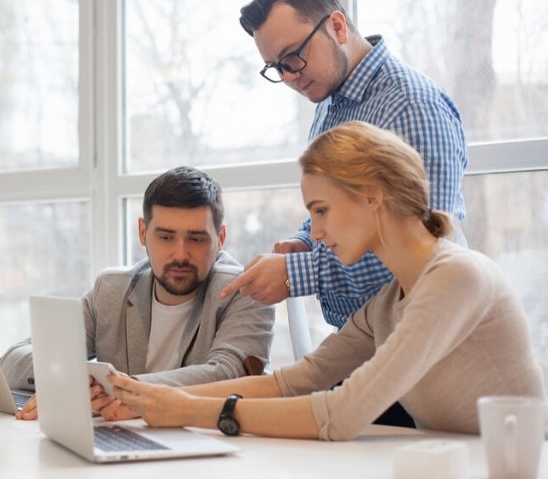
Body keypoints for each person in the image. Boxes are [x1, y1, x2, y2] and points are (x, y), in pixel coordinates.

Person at [104, 121, 544, 441]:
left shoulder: (456, 277)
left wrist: (192, 410)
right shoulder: (390, 303)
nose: (313, 233)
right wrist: (145, 395)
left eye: (320, 210)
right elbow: (292, 382)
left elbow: (343, 413)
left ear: (373, 197)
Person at [220, 0, 468, 331]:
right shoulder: (328, 103)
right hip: (365, 339)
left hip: (425, 336)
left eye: (293, 56)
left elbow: (428, 245)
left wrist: (297, 274)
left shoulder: (411, 107)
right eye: (275, 67)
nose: (289, 76)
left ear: (337, 26)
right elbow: (344, 211)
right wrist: (304, 242)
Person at [0, 166, 275, 421]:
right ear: (143, 232)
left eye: (196, 239)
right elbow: (13, 358)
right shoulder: (112, 290)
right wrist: (67, 380)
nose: (180, 254)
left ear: (221, 238)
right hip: (120, 440)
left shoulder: (246, 291)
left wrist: (119, 390)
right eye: (165, 237)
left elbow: (228, 374)